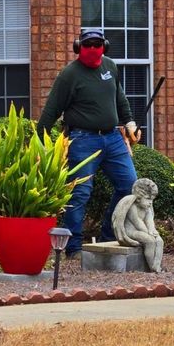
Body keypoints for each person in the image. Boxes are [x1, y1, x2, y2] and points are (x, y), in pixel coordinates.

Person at [37, 27, 138, 258]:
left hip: (113, 138)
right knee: (80, 193)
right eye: (88, 45)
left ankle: (109, 237)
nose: (92, 49)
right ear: (78, 47)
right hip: (82, 139)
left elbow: (119, 97)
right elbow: (52, 110)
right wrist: (38, 139)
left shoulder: (110, 67)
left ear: (105, 46)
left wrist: (130, 121)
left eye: (97, 44)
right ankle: (73, 249)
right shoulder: (69, 75)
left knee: (129, 185)